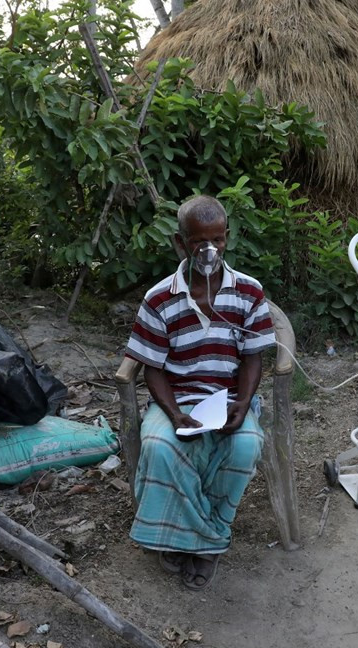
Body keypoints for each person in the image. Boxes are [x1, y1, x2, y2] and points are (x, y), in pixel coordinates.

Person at [123, 195, 275, 590]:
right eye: (198, 242)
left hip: (227, 397)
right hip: (175, 397)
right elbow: (152, 369)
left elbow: (253, 358)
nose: (209, 250)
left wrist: (242, 403)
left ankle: (197, 542)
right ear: (180, 243)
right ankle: (198, 538)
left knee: (243, 446)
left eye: (218, 240)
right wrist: (174, 414)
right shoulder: (159, 298)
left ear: (227, 238)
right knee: (160, 446)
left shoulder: (248, 292)